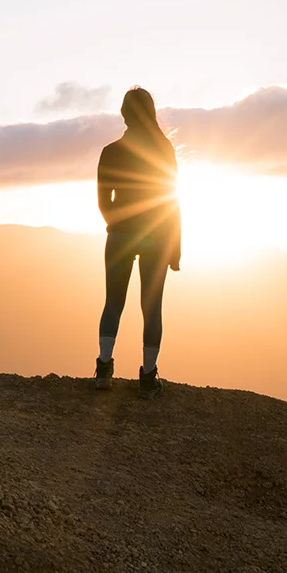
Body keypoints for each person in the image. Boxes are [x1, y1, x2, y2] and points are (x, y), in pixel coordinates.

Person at [95, 87, 182, 398]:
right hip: (157, 236)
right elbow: (172, 201)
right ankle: (147, 378)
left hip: (119, 235)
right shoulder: (164, 150)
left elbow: (104, 200)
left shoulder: (111, 152)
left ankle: (104, 371)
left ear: (124, 114)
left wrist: (115, 224)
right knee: (152, 306)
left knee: (113, 303)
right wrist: (175, 247)